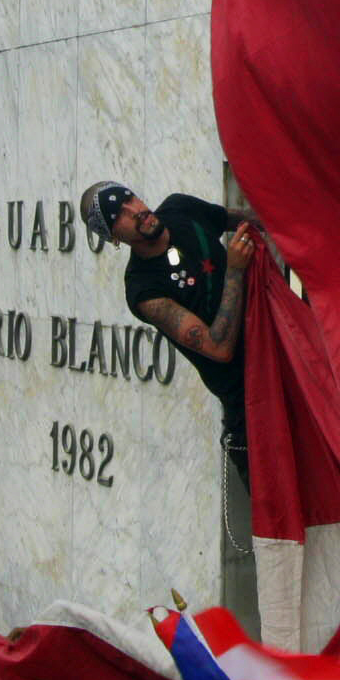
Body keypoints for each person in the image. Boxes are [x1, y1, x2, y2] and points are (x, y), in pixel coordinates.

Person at [85, 181, 263, 483]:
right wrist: (234, 270)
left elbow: (252, 220)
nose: (136, 210)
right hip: (249, 407)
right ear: (114, 237)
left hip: (286, 362)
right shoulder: (144, 289)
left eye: (131, 199)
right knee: (278, 515)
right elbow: (219, 348)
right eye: (120, 215)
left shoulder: (181, 209)